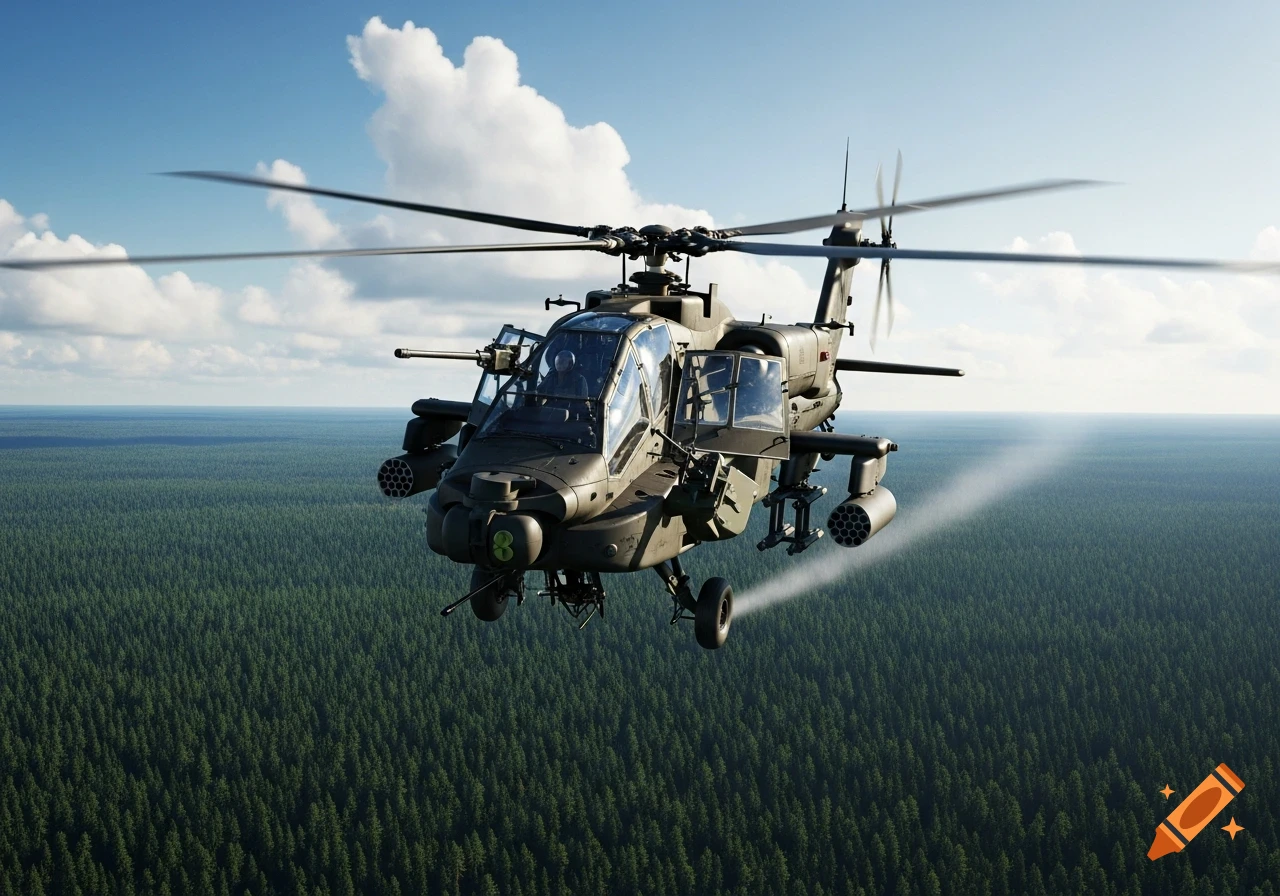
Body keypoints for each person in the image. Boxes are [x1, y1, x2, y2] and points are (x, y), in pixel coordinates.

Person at [542, 349, 590, 416]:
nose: (560, 363)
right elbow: (539, 393)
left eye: (563, 361)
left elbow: (581, 404)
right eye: (559, 361)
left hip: (569, 419)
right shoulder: (551, 377)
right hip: (549, 415)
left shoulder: (579, 380)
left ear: (570, 364)